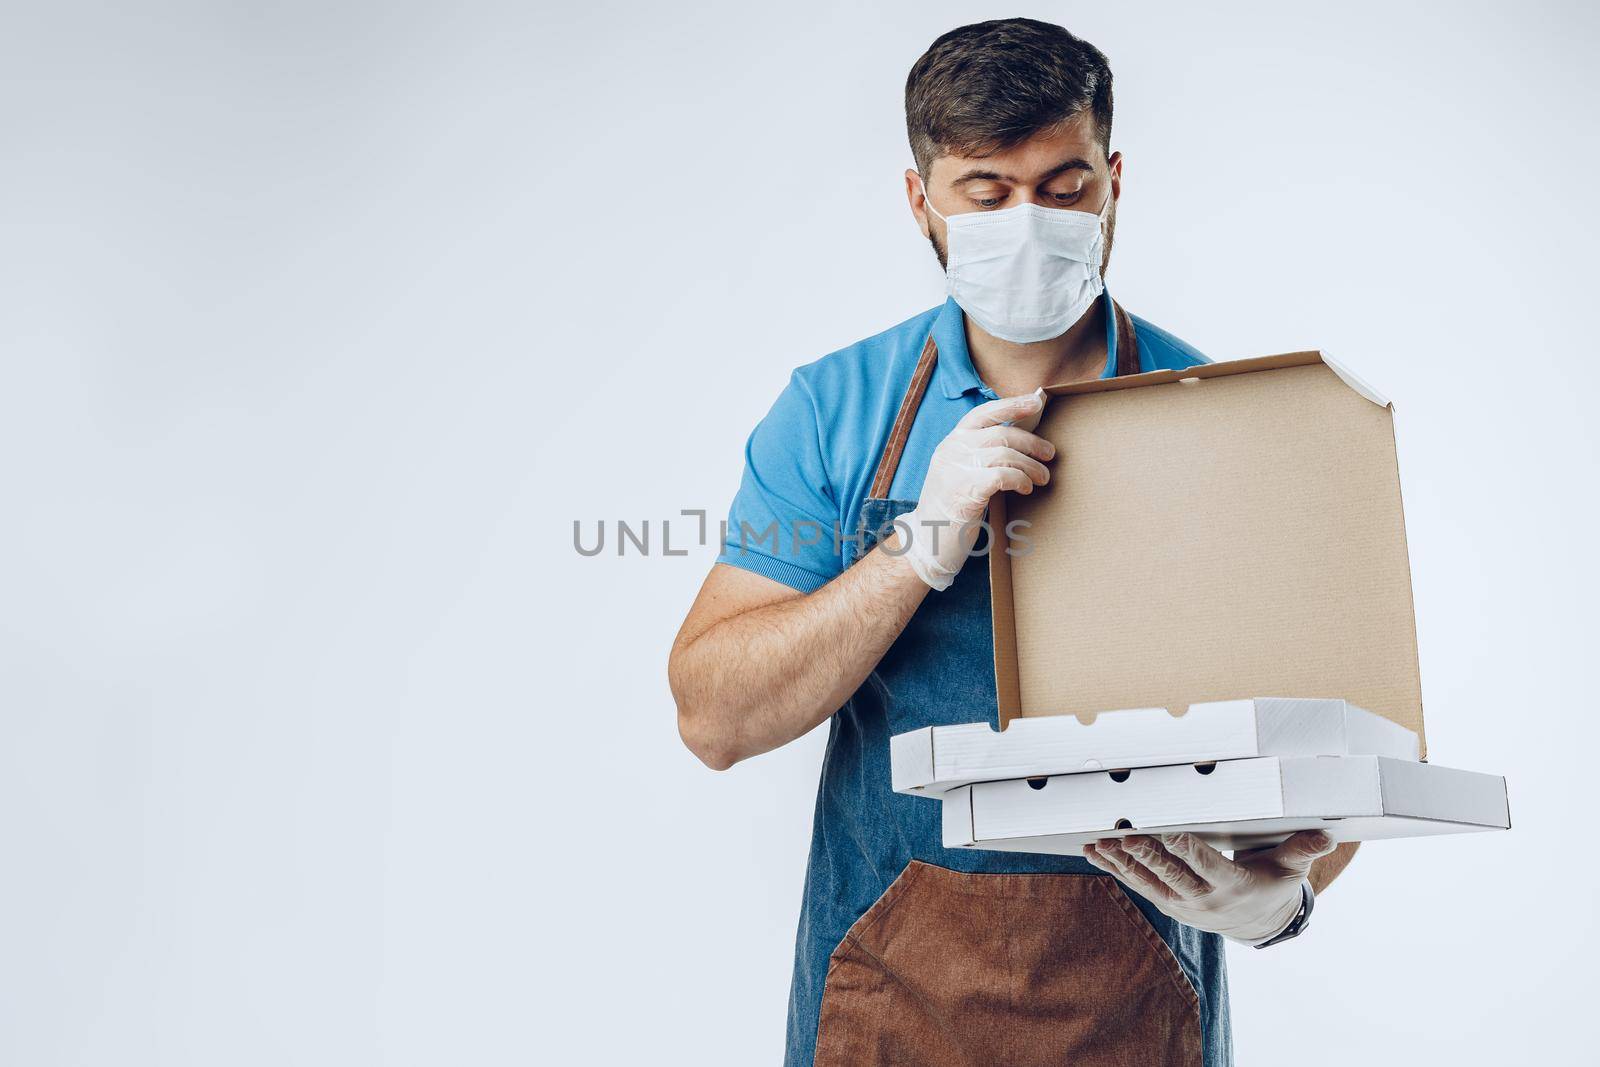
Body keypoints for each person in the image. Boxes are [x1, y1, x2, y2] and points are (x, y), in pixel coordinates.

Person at [668, 18, 1356, 1067]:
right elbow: (715, 713)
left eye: (1064, 187)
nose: (1027, 223)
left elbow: (1337, 738)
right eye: (985, 194)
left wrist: (1278, 900)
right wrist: (914, 548)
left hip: (1134, 999)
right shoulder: (833, 411)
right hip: (885, 995)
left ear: (1115, 180)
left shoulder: (1218, 418)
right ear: (920, 202)